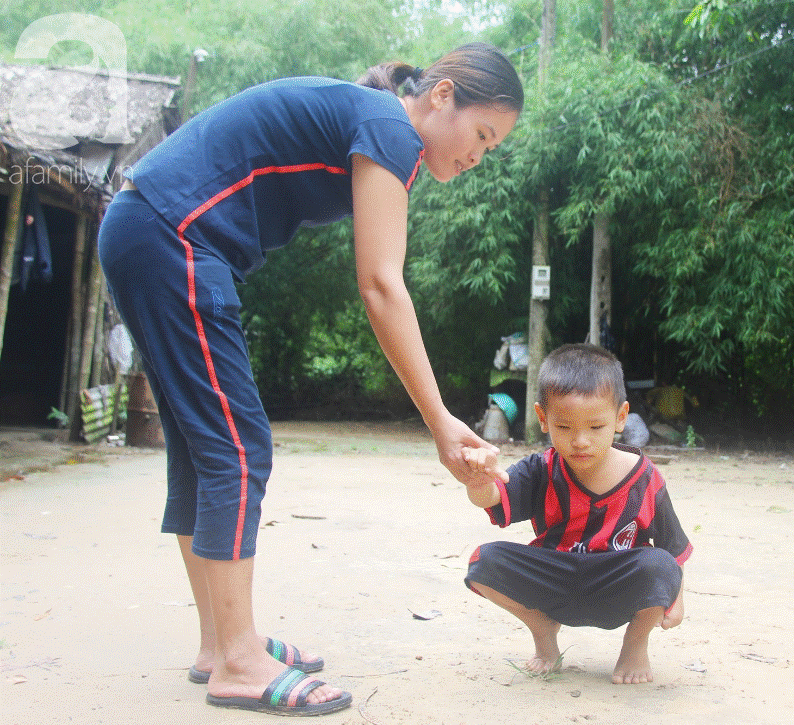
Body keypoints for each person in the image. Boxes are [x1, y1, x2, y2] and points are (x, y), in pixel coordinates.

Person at [97, 43, 523, 716]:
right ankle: (239, 660)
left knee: (206, 447)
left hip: (147, 228)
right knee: (238, 449)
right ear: (442, 96)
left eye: (491, 147)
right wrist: (441, 421)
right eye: (482, 134)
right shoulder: (390, 127)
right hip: (171, 234)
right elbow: (381, 285)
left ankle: (220, 643)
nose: (479, 156)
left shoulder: (376, 123)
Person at [461, 344, 693, 685]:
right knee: (484, 561)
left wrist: (677, 599)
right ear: (543, 419)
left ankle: (635, 643)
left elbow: (675, 549)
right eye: (565, 427)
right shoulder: (541, 468)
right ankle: (542, 629)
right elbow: (493, 498)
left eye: (595, 427)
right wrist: (478, 481)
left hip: (616, 587)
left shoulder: (645, 478)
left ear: (621, 417)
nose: (580, 441)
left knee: (661, 565)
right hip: (554, 581)